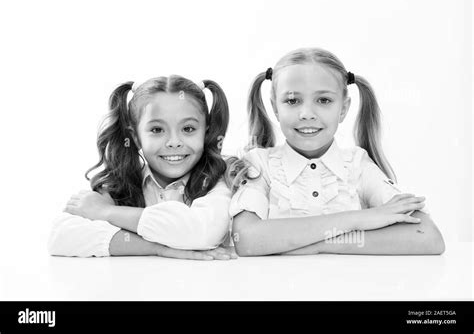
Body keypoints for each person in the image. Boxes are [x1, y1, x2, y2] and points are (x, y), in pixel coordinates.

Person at [227, 47, 445, 257]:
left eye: (324, 100)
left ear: (343, 108)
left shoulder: (358, 165)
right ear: (275, 107)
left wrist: (317, 245)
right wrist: (360, 219)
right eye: (292, 100)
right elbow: (245, 240)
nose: (307, 113)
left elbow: (427, 235)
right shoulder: (259, 164)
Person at [49, 75, 237, 260]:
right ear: (136, 137)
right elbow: (60, 236)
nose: (174, 142)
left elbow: (201, 232)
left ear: (206, 132)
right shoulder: (121, 185)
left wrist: (106, 212)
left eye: (188, 129)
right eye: (157, 130)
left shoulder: (219, 179)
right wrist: (158, 248)